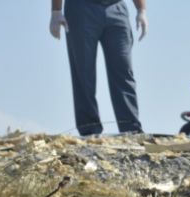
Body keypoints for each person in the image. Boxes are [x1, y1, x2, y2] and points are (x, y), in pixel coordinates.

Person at [49, 0, 146, 136]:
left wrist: (141, 9)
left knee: (123, 72)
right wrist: (56, 11)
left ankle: (131, 129)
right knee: (83, 73)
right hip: (81, 8)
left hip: (116, 9)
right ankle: (90, 130)